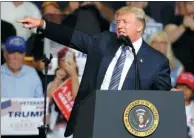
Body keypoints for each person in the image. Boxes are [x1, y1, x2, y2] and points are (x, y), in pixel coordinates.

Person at [17, 6, 172, 137]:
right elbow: (72, 37)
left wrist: (170, 96)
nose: (120, 25)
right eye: (118, 21)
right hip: (92, 119)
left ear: (139, 26)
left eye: (125, 22)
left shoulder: (156, 61)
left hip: (127, 126)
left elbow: (161, 99)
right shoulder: (104, 41)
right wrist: (43, 24)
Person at [165, 1, 194, 74]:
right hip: (177, 72)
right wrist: (183, 26)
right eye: (190, 3)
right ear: (184, 5)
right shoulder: (176, 20)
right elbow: (166, 39)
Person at [175, 72, 194, 138]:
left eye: (188, 87)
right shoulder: (168, 106)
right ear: (175, 87)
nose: (184, 90)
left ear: (192, 92)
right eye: (181, 86)